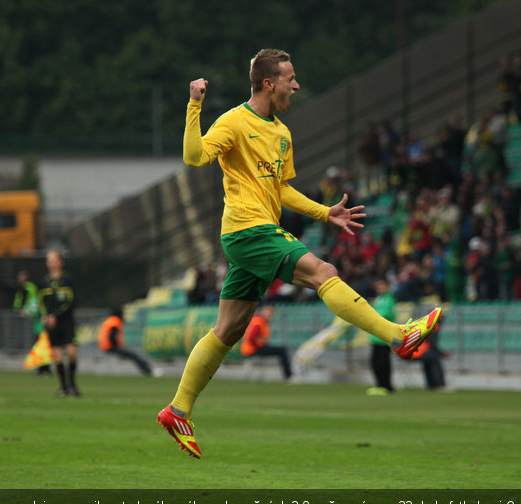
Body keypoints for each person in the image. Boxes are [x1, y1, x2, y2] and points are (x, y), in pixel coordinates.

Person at [156, 49, 442, 458]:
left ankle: (178, 409)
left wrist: (326, 212)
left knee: (229, 330)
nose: (297, 85)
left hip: (255, 233)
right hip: (247, 230)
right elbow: (194, 156)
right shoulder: (234, 122)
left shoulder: (282, 133)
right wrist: (194, 105)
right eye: (290, 78)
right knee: (322, 270)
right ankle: (399, 336)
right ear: (269, 84)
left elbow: (283, 189)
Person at [38, 250, 80, 397]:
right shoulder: (44, 282)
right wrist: (45, 316)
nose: (51, 263)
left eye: (54, 260)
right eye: (49, 260)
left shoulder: (68, 280)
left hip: (66, 322)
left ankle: (73, 384)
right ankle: (63, 387)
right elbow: (41, 302)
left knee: (71, 353)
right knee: (57, 356)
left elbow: (72, 301)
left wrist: (56, 316)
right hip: (52, 324)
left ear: (60, 262)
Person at [98, 307, 156, 376]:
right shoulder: (115, 321)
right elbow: (112, 335)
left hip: (104, 346)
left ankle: (146, 368)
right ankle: (147, 370)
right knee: (134, 355)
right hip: (110, 346)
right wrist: (117, 347)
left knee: (131, 354)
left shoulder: (109, 320)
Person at [240, 304, 292, 380]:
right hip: (253, 349)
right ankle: (289, 376)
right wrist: (258, 344)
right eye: (269, 314)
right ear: (263, 313)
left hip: (250, 348)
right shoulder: (259, 322)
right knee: (282, 351)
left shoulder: (257, 320)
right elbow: (252, 337)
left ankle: (288, 375)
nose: (271, 316)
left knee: (280, 350)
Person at [13, 270, 50, 376]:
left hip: (42, 328)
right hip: (38, 327)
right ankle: (42, 369)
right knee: (41, 348)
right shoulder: (36, 299)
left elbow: (34, 310)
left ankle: (44, 369)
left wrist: (25, 312)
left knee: (42, 348)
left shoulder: (36, 298)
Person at [366, 279, 396, 395]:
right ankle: (379, 385)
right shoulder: (379, 299)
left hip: (384, 336)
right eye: (378, 286)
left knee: (383, 362)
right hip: (376, 336)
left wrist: (370, 316)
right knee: (376, 362)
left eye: (382, 285)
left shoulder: (389, 299)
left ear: (387, 286)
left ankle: (386, 386)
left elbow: (386, 314)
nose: (380, 288)